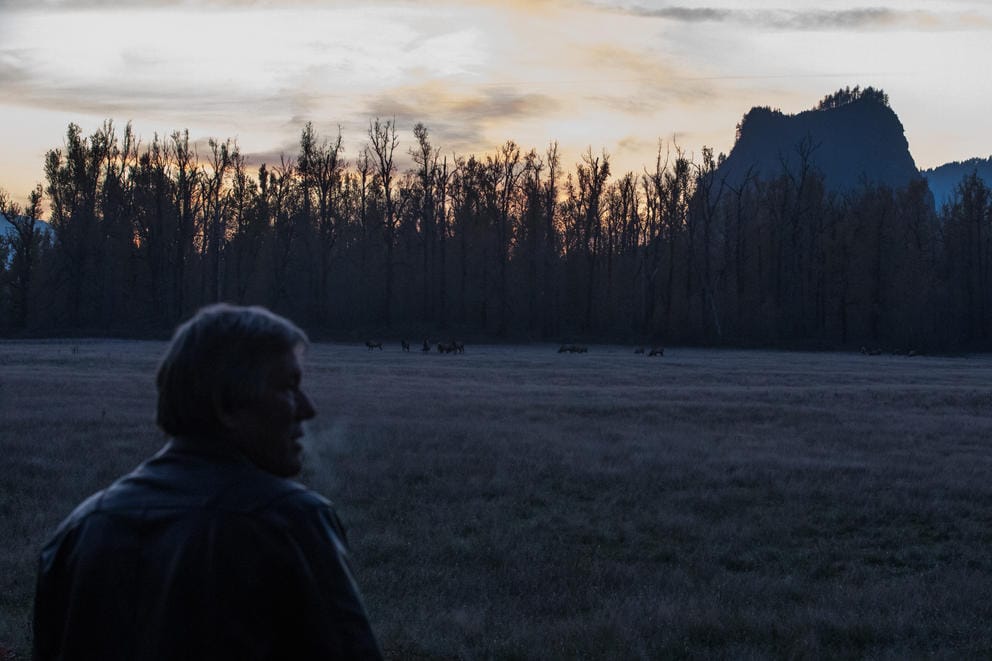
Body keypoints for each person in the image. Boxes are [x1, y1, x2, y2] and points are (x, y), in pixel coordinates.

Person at [33, 304, 383, 660]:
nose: (308, 409)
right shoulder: (290, 525)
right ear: (226, 406)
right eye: (289, 387)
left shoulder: (78, 531)